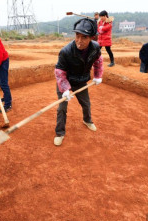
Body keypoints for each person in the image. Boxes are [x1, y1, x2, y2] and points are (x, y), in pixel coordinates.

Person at [54, 18, 104, 146]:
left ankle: (87, 120)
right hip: (65, 81)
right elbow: (59, 71)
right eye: (77, 35)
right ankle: (60, 132)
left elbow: (98, 61)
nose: (79, 40)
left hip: (81, 81)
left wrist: (98, 75)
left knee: (86, 104)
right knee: (62, 108)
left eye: (84, 37)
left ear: (92, 38)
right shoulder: (66, 51)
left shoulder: (95, 48)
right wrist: (65, 89)